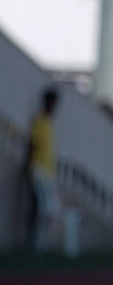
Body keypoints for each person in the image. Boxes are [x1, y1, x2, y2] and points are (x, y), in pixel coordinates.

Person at [22, 86, 60, 252]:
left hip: (48, 172)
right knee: (41, 208)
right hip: (38, 170)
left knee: (48, 209)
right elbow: (32, 144)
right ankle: (35, 243)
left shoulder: (48, 123)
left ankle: (40, 243)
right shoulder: (39, 121)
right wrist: (28, 165)